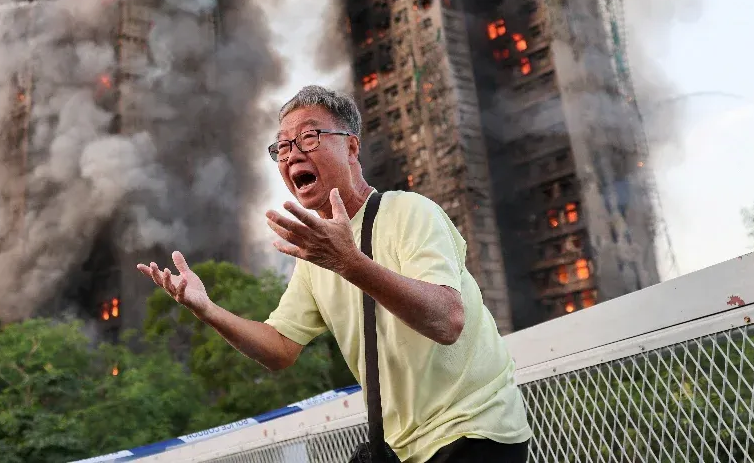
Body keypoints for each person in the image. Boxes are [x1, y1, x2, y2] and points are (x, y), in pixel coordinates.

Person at [137, 85, 532, 463]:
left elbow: (447, 321)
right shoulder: (315, 256)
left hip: (473, 431)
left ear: (352, 147)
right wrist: (207, 309)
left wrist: (349, 262)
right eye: (283, 147)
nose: (292, 154)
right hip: (401, 450)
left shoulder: (409, 212)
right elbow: (280, 348)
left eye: (309, 138)